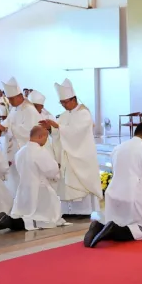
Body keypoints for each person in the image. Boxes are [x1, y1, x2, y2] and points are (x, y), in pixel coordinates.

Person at [84, 123, 142, 248]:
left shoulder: (119, 147)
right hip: (135, 194)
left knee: (122, 220)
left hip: (113, 193)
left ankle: (100, 226)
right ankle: (114, 230)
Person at [39, 79, 103, 218]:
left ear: (73, 99)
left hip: (81, 154)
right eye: (61, 103)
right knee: (66, 182)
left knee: (79, 181)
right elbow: (59, 133)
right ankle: (68, 211)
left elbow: (78, 132)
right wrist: (52, 128)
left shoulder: (84, 113)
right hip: (67, 154)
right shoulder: (63, 116)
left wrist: (57, 127)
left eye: (65, 102)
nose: (63, 105)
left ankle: (83, 211)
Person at [0, 125, 64, 235]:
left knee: (25, 212)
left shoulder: (21, 151)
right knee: (45, 219)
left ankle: (7, 219)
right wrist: (57, 167)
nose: (46, 141)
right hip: (39, 189)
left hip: (23, 188)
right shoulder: (39, 151)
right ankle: (7, 221)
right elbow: (51, 170)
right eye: (46, 138)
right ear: (40, 136)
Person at [0, 77, 42, 197]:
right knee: (13, 178)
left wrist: (7, 128)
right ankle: (15, 201)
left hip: (24, 150)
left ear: (19, 96)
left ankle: (24, 203)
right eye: (8, 99)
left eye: (11, 99)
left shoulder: (30, 110)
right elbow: (8, 121)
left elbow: (30, 131)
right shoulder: (15, 108)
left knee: (23, 178)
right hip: (14, 149)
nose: (9, 102)